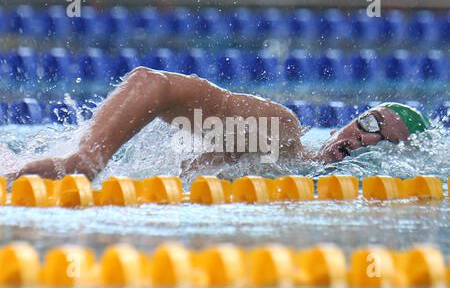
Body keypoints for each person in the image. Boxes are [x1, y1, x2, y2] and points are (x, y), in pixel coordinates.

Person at [7, 67, 430, 181]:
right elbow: (151, 84)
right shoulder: (279, 133)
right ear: (349, 121)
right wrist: (88, 158)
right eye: (370, 122)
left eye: (384, 141)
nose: (365, 140)